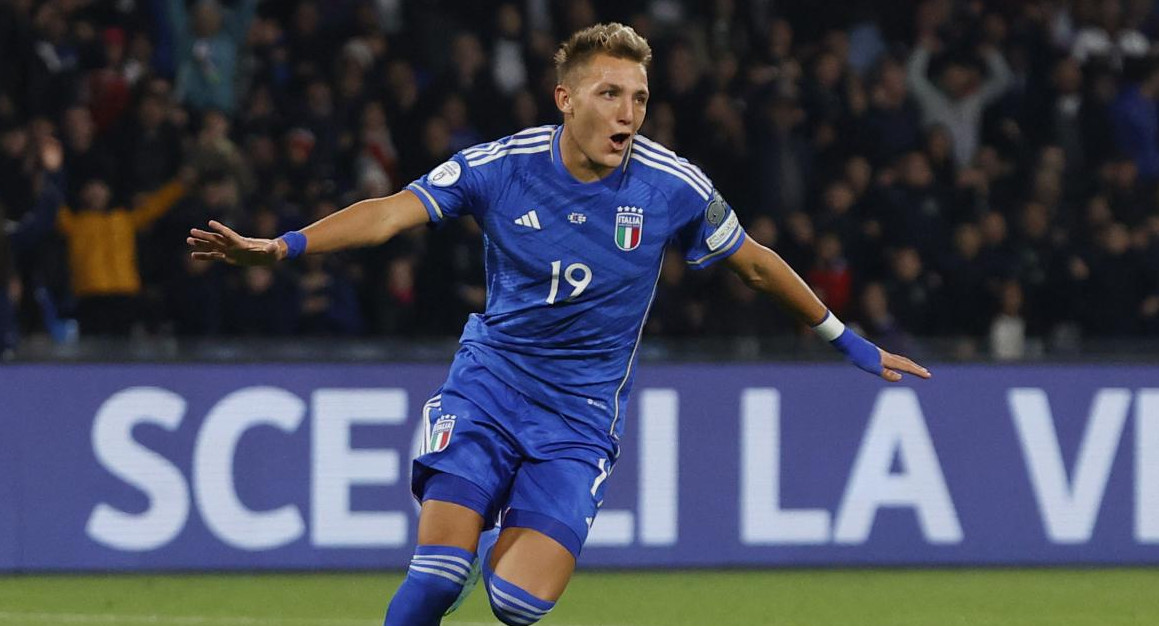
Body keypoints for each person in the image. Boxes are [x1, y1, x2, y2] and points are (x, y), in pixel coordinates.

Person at [189, 23, 930, 626]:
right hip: (488, 389)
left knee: (515, 602)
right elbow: (387, 213)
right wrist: (279, 248)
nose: (627, 113)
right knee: (440, 574)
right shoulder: (498, 167)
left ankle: (500, 520)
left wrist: (846, 340)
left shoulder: (672, 185)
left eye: (638, 97)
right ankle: (467, 514)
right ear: (564, 99)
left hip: (577, 419)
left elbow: (758, 264)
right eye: (609, 94)